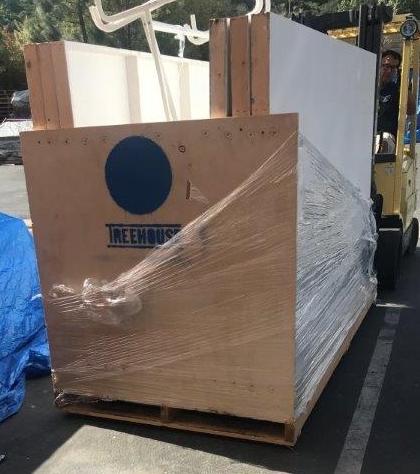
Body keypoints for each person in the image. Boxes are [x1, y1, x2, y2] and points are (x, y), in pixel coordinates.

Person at [377, 49, 416, 153]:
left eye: (393, 68)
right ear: (378, 65)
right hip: (365, 132)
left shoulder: (397, 90)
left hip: (386, 136)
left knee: (382, 142)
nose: (389, 71)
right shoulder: (367, 86)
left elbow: (411, 110)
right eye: (386, 66)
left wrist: (404, 84)